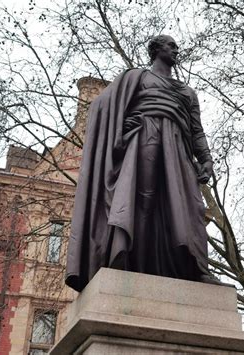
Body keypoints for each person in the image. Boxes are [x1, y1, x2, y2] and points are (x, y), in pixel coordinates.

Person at [65, 35, 217, 292]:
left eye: (176, 46)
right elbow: (101, 108)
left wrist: (206, 159)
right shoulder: (137, 78)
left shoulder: (187, 93)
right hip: (145, 140)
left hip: (178, 150)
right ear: (156, 50)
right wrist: (119, 129)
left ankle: (196, 267)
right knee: (143, 203)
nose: (176, 50)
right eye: (171, 45)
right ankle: (131, 261)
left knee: (189, 207)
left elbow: (197, 131)